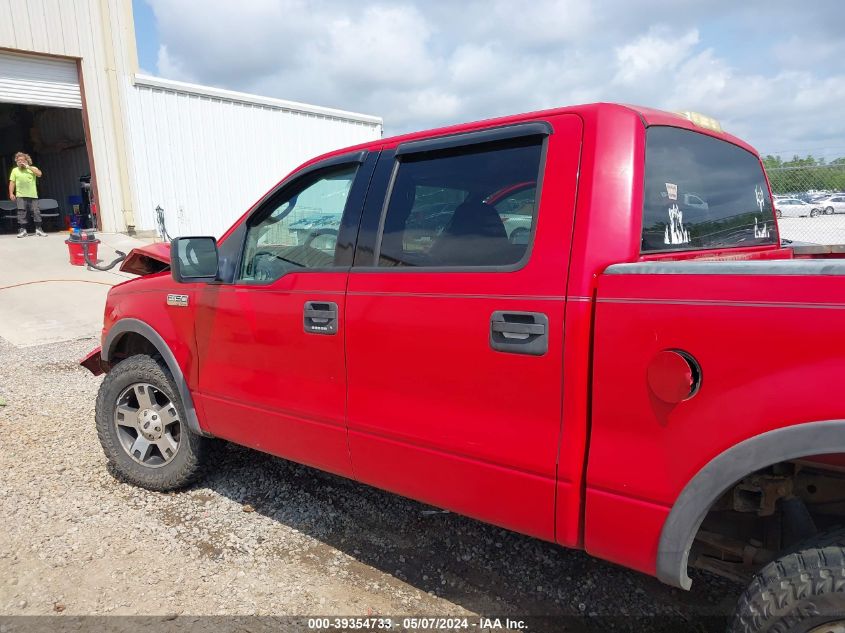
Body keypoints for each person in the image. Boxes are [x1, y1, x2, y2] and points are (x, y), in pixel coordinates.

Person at [8, 152, 44, 238]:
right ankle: (23, 230)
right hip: (20, 195)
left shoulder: (32, 168)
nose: (20, 161)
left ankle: (39, 229)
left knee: (36, 212)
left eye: (22, 160)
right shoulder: (15, 170)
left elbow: (39, 174)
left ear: (26, 160)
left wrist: (28, 167)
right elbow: (12, 182)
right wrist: (11, 193)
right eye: (18, 160)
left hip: (33, 195)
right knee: (21, 212)